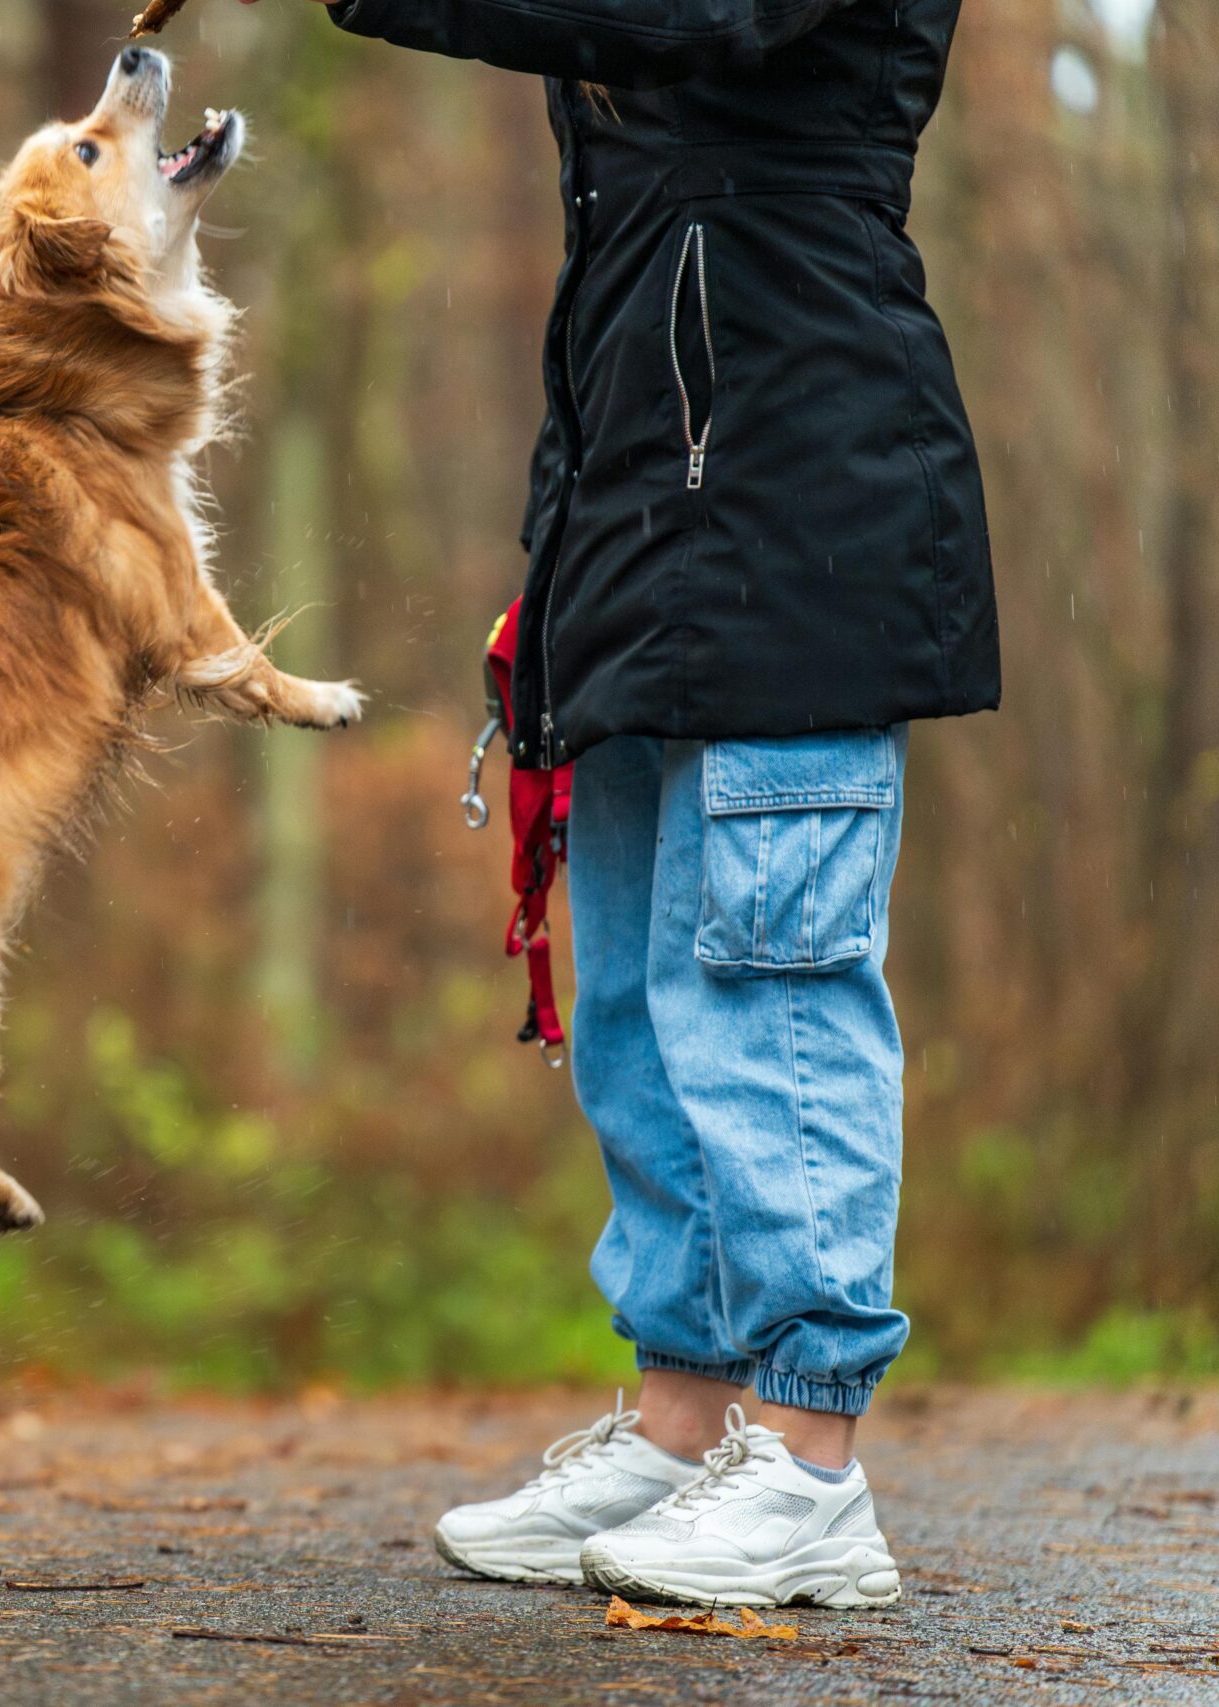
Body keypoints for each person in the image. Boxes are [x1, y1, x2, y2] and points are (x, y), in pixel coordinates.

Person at [250, 0, 1000, 1607]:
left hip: (806, 518)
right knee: (644, 1010)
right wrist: (556, 570)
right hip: (646, 535)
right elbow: (622, 282)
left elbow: (677, 15)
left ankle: (809, 1470)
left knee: (770, 996)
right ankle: (682, 1431)